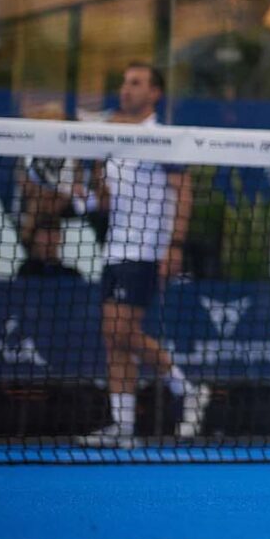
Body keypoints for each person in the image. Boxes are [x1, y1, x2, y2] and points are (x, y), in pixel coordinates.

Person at [75, 63, 207, 447]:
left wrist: (174, 245)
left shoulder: (163, 139)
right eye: (123, 83)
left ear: (154, 94)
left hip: (147, 251)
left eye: (135, 83)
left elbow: (183, 192)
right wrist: (92, 185)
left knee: (121, 331)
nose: (126, 89)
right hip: (114, 250)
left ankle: (187, 390)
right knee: (112, 338)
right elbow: (106, 202)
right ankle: (123, 427)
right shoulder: (114, 140)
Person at [16, 214, 81, 279]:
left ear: (59, 237)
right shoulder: (26, 272)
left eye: (53, 235)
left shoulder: (71, 275)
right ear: (35, 238)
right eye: (44, 235)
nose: (49, 240)